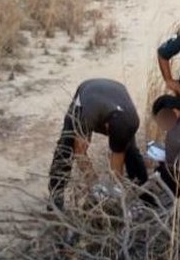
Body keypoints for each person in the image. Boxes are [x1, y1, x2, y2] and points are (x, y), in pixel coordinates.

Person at [49, 78, 147, 210]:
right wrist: (95, 185)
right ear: (106, 127)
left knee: (131, 151)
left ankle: (144, 193)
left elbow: (117, 159)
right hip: (88, 94)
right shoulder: (87, 116)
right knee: (66, 146)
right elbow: (80, 153)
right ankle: (56, 196)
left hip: (116, 95)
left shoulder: (132, 121)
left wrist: (114, 190)